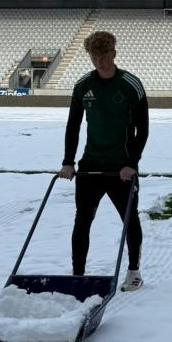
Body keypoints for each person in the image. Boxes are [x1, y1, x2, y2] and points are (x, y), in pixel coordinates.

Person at [59, 31, 149, 291]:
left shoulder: (131, 84)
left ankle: (133, 272)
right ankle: (77, 274)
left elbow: (142, 129)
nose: (100, 61)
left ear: (114, 54)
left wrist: (131, 163)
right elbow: (73, 126)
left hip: (122, 167)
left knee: (129, 219)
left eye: (104, 55)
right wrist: (68, 161)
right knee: (82, 220)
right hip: (90, 166)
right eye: (95, 56)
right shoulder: (83, 86)